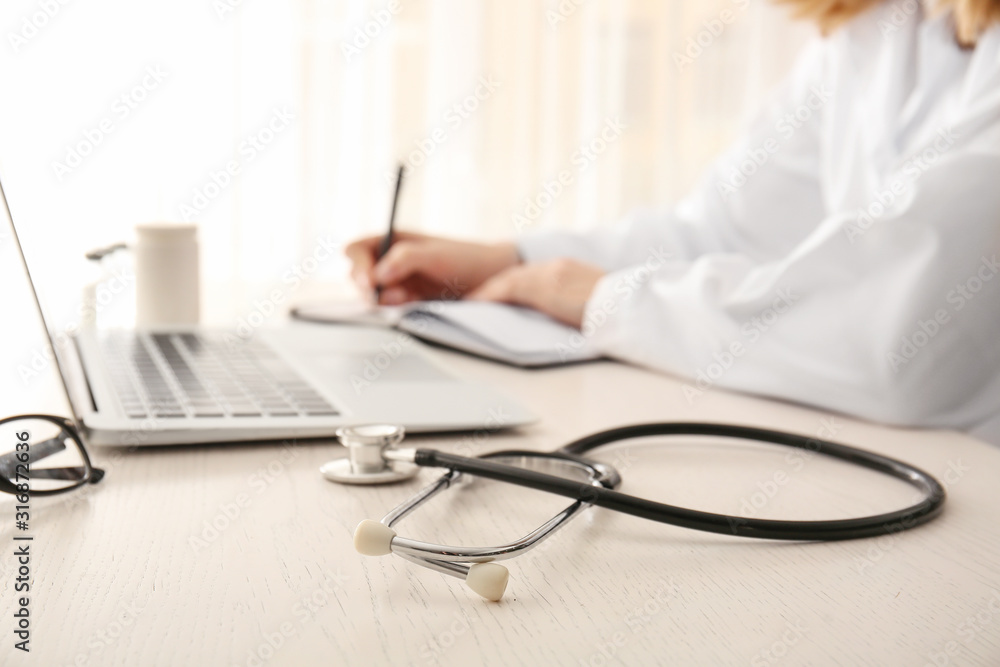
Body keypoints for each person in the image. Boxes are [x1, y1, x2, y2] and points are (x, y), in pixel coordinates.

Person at [346, 0, 1000, 445]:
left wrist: (602, 298)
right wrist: (511, 260)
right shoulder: (875, 26)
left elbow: (902, 343)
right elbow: (723, 232)